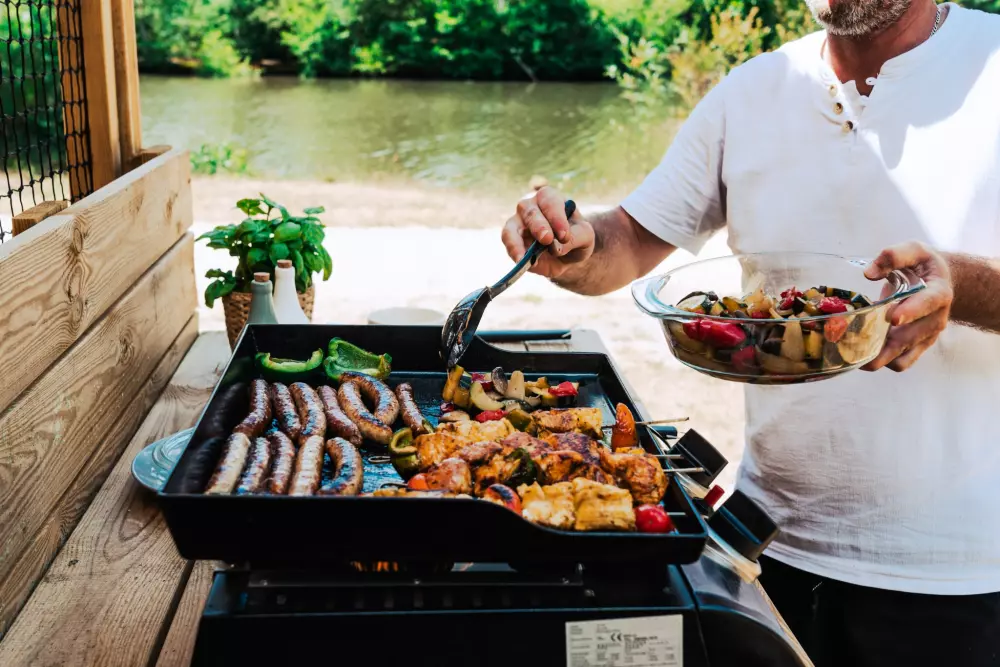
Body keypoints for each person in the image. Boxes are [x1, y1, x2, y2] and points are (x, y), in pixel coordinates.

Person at [501, 1, 1000, 664]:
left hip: (957, 574)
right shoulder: (752, 91)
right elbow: (628, 241)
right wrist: (573, 244)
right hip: (759, 550)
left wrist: (959, 283)